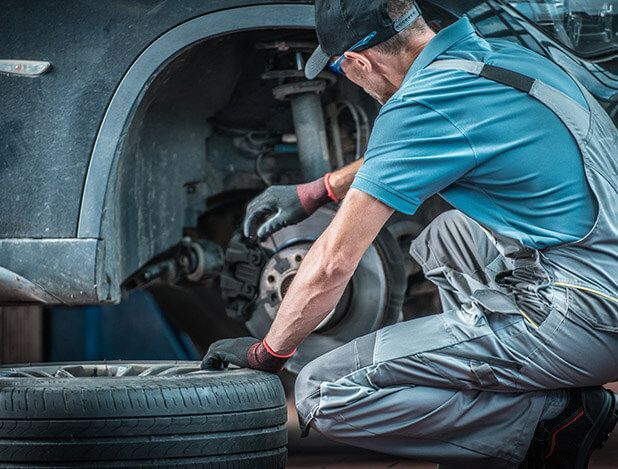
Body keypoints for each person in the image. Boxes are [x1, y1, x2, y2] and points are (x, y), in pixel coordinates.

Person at [201, 0, 618, 467]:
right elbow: (424, 145)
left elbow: (333, 264)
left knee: (322, 389)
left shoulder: (419, 104)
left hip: (587, 318)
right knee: (449, 236)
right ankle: (500, 377)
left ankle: (551, 417)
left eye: (343, 70)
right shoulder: (504, 60)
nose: (349, 79)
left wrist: (269, 353)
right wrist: (319, 190)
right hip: (603, 280)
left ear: (359, 62)